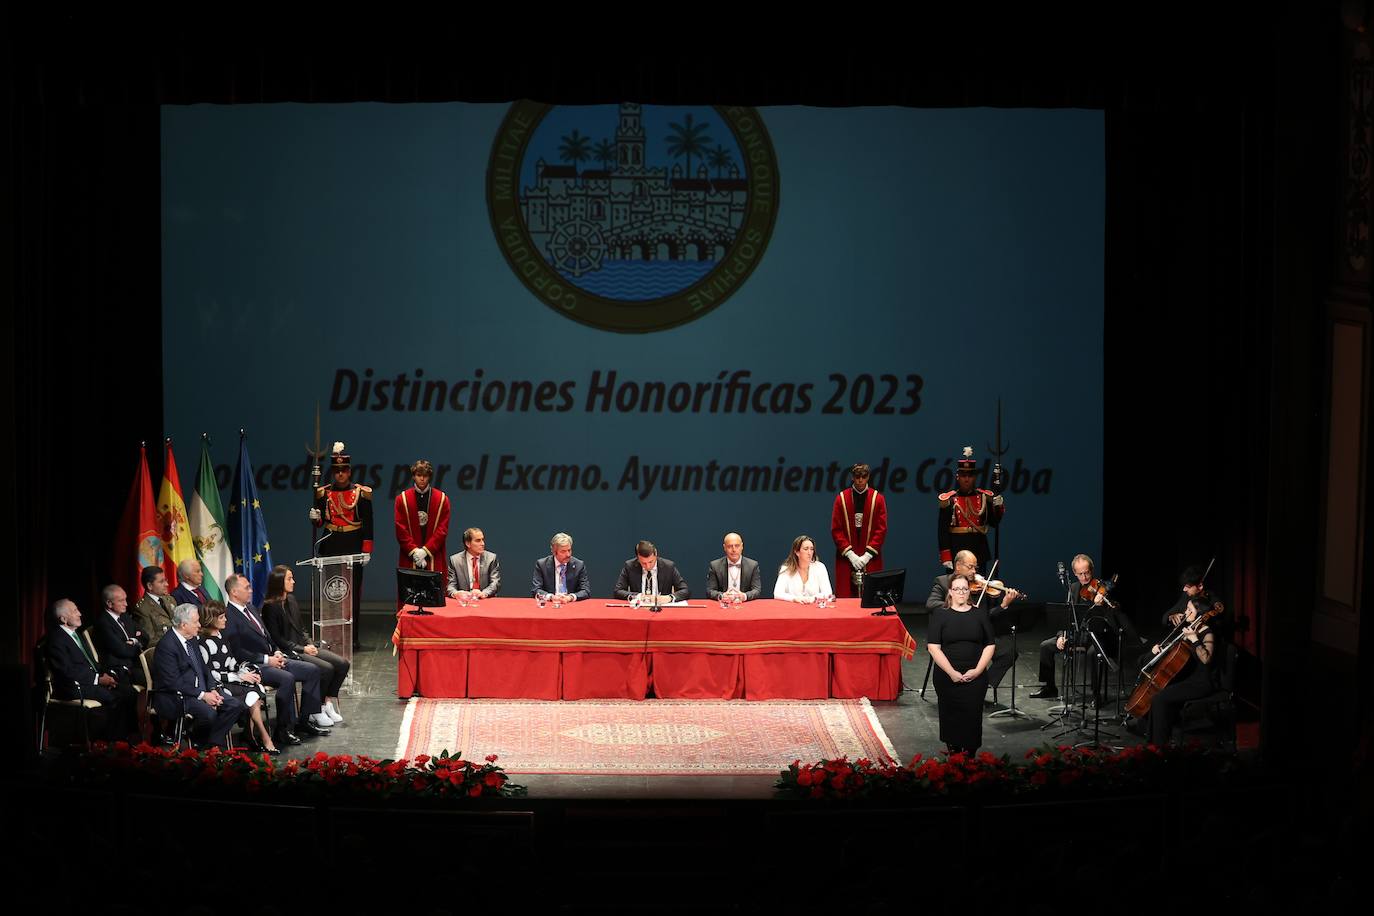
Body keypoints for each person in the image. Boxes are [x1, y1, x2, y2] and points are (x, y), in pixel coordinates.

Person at [220, 572, 330, 745]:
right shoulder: (229, 617)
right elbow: (237, 651)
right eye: (247, 587)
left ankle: (304, 720)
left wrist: (277, 651)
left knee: (312, 670)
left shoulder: (251, 608)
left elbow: (268, 636)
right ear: (234, 592)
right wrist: (266, 659)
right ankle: (284, 729)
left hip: (272, 658)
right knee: (287, 678)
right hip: (253, 665)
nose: (251, 590)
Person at [1032, 554, 1137, 700]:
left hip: (1097, 636)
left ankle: (1096, 694)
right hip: (1077, 635)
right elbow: (1066, 616)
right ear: (1075, 574)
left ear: (1091, 570)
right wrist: (1061, 635)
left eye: (1087, 572)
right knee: (1045, 646)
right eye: (1080, 573)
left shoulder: (1101, 587)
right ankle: (1049, 688)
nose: (1085, 576)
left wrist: (1102, 606)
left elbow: (1115, 611)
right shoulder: (1073, 588)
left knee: (1093, 654)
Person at [261, 564, 350, 724]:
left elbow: (301, 628)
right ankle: (313, 710)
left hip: (304, 647)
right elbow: (277, 639)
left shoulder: (292, 600)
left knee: (342, 664)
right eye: (289, 579)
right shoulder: (270, 608)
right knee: (326, 669)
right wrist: (303, 649)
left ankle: (326, 702)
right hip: (289, 651)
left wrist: (310, 645)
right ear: (279, 582)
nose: (293, 581)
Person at [926, 550, 1020, 700]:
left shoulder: (977, 587)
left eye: (975, 567)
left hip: (976, 637)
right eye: (970, 567)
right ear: (958, 566)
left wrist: (1002, 606)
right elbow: (930, 604)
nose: (974, 571)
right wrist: (956, 605)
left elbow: (985, 617)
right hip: (950, 639)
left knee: (1009, 652)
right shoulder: (943, 582)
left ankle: (982, 684)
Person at [150, 603, 245, 749]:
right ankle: (202, 742)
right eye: (196, 622)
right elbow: (172, 682)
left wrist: (212, 688)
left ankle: (209, 744)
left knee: (234, 705)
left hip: (201, 689)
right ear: (183, 625)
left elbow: (203, 667)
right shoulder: (167, 646)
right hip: (177, 695)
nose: (200, 625)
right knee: (208, 714)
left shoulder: (192, 638)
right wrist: (202, 695)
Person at [309, 441, 372, 649]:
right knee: (332, 593)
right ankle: (332, 636)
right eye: (336, 471)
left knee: (352, 595)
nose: (340, 475)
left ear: (349, 471)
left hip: (353, 546)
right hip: (331, 545)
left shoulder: (362, 494)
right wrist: (314, 518)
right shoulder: (323, 493)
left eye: (343, 471)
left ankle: (351, 638)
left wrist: (366, 550)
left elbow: (368, 523)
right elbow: (320, 523)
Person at [45, 599, 138, 739]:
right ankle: (110, 742)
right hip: (72, 687)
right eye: (75, 611)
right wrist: (98, 680)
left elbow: (91, 662)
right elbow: (66, 671)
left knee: (129, 692)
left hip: (90, 680)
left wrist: (105, 674)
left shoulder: (75, 634)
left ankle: (131, 737)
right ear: (63, 618)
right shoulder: (57, 640)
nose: (80, 614)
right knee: (115, 698)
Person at [926, 575, 996, 754]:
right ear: (950, 591)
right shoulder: (940, 614)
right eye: (957, 589)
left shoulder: (979, 613)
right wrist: (951, 672)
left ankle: (970, 758)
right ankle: (954, 757)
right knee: (951, 717)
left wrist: (978, 670)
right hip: (947, 676)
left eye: (965, 589)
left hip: (975, 676)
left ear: (969, 591)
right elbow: (933, 647)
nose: (961, 592)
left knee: (972, 718)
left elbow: (990, 644)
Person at [1139, 593, 1221, 745]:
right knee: (1157, 696)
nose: (1186, 612)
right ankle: (1153, 742)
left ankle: (1159, 744)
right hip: (1188, 677)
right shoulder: (1191, 628)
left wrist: (1195, 639)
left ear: (1200, 614)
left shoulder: (1207, 632)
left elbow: (1206, 659)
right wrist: (1163, 648)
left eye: (1190, 610)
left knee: (1159, 699)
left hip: (1201, 683)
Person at [197, 601, 277, 755]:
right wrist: (238, 677)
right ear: (211, 619)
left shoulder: (222, 637)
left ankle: (256, 735)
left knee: (254, 688)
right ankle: (261, 737)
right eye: (221, 617)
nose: (225, 620)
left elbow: (231, 662)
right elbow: (210, 673)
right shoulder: (204, 643)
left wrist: (246, 672)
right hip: (218, 685)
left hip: (231, 679)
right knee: (249, 692)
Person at [394, 459, 451, 607]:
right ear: (413, 476)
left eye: (425, 475)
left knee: (434, 598)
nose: (422, 478)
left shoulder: (442, 499)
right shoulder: (402, 499)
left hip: (433, 555)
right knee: (410, 597)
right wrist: (414, 552)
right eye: (419, 475)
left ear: (429, 476)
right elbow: (401, 529)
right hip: (410, 556)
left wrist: (425, 551)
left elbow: (442, 530)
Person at [937, 447, 1004, 571]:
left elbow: (994, 522)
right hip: (957, 551)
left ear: (975, 477)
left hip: (979, 551)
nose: (966, 479)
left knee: (979, 589)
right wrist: (946, 556)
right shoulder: (949, 500)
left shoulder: (983, 497)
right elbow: (942, 531)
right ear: (958, 477)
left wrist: (998, 505)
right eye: (963, 475)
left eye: (970, 475)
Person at [831, 463, 888, 598]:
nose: (860, 480)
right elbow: (836, 529)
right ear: (852, 477)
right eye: (857, 477)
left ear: (868, 477)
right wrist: (850, 554)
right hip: (847, 558)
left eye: (863, 476)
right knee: (846, 596)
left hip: (871, 558)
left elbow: (881, 529)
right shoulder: (841, 499)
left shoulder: (878, 499)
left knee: (871, 597)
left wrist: (867, 555)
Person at [91, 583, 148, 688]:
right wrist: (137, 644)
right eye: (121, 601)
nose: (126, 604)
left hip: (135, 663)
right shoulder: (103, 623)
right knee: (157, 679)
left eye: (125, 599)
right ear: (109, 603)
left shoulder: (125, 616)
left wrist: (133, 641)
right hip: (121, 669)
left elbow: (145, 636)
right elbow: (121, 650)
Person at [614, 541, 690, 602]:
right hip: (639, 610)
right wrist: (638, 596)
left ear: (656, 554)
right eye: (643, 563)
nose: (648, 566)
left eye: (651, 562)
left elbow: (685, 590)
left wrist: (669, 598)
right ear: (637, 558)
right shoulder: (629, 566)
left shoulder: (668, 567)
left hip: (663, 611)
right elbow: (618, 591)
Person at [773, 535, 834, 604]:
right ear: (797, 552)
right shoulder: (786, 569)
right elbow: (777, 593)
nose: (809, 552)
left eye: (811, 549)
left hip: (814, 609)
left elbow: (828, 592)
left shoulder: (820, 567)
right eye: (806, 549)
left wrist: (813, 598)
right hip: (793, 610)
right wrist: (794, 599)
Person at [532, 532, 590, 602]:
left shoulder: (579, 565)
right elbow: (536, 589)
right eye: (563, 551)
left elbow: (586, 591)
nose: (568, 554)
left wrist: (570, 597)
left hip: (571, 606)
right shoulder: (542, 565)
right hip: (550, 605)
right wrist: (551, 597)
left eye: (569, 550)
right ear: (554, 552)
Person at [706, 532, 762, 603]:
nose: (734, 550)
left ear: (742, 546)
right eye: (730, 546)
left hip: (745, 607)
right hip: (724, 606)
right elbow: (710, 591)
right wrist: (722, 596)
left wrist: (744, 596)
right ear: (724, 547)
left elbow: (756, 590)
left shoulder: (752, 565)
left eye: (737, 546)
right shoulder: (715, 565)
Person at [448, 527, 501, 599]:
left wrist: (483, 593)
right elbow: (451, 586)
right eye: (478, 540)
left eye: (483, 540)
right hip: (465, 601)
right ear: (468, 543)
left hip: (485, 600)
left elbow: (495, 583)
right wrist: (456, 593)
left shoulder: (491, 558)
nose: (482, 543)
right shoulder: (455, 560)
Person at [134, 566, 177, 647]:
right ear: (150, 586)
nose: (167, 584)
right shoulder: (142, 609)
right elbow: (150, 641)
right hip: (166, 651)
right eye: (161, 582)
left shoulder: (170, 599)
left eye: (166, 580)